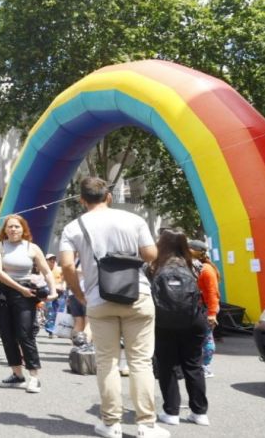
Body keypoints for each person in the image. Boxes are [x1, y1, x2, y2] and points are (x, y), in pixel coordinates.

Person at [59, 176, 168, 438]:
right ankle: (146, 425)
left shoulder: (73, 227)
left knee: (106, 362)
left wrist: (79, 293)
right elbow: (151, 255)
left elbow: (65, 265)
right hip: (137, 294)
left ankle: (111, 424)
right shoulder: (133, 219)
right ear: (108, 195)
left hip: (98, 298)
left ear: (82, 200)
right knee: (140, 361)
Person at [0, 215, 58, 393]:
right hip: (4, 292)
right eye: (10, 227)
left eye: (17, 227)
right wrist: (20, 288)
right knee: (6, 334)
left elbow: (47, 271)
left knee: (25, 334)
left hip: (26, 293)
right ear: (5, 230)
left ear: (23, 229)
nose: (13, 230)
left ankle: (34, 377)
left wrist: (53, 291)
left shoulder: (32, 248)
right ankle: (17, 375)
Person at [149, 228, 209, 427]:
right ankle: (199, 413)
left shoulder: (153, 266)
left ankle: (172, 412)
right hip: (193, 320)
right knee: (194, 365)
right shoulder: (196, 265)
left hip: (163, 321)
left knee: (167, 366)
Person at [188, 239, 219, 378]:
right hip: (197, 308)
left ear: (194, 251)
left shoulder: (206, 270)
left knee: (206, 338)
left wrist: (212, 313)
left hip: (206, 309)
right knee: (198, 338)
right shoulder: (195, 267)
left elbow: (213, 293)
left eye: (188, 248)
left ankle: (205, 366)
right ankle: (198, 365)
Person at [44, 254, 66, 338]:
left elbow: (64, 279)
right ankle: (50, 331)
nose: (52, 261)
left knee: (60, 311)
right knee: (50, 311)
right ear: (46, 260)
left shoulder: (59, 269)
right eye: (50, 259)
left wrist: (63, 286)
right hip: (49, 292)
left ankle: (58, 330)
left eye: (54, 259)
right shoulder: (45, 270)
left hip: (60, 293)